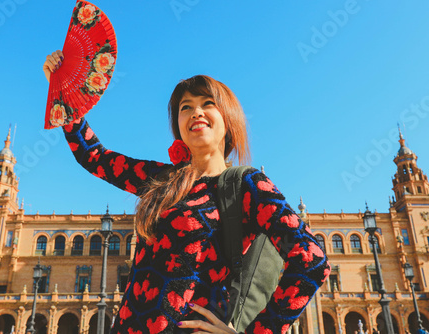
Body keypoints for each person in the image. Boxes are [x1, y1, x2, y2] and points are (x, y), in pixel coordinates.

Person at [43, 50, 331, 334]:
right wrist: (62, 89)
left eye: (208, 103)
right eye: (186, 107)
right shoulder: (160, 178)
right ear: (178, 126)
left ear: (228, 118)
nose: (196, 112)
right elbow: (93, 156)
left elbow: (312, 259)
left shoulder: (247, 186)